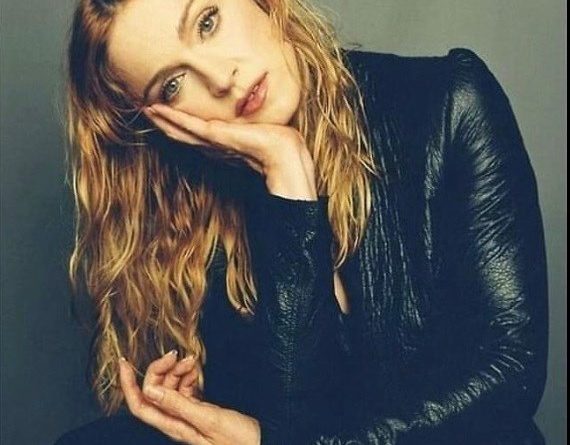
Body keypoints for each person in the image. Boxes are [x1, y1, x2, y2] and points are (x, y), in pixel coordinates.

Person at [54, 0, 549, 444]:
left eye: (207, 21)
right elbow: (297, 417)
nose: (220, 78)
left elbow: (509, 379)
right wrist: (289, 179)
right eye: (173, 84)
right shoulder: (191, 222)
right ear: (158, 123)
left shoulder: (447, 103)